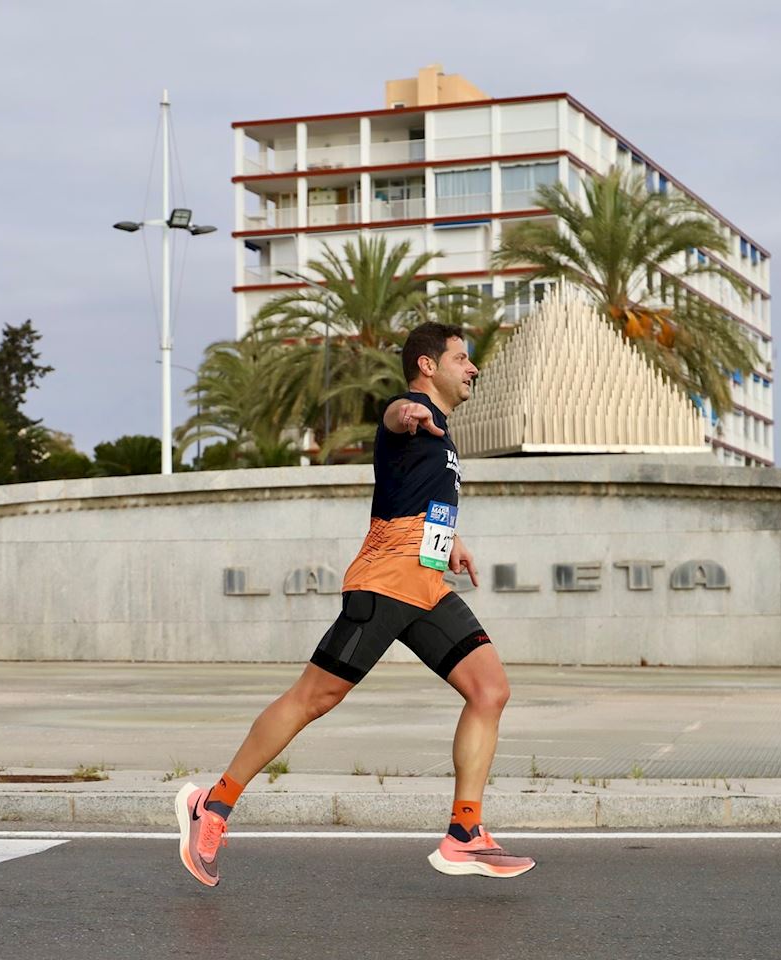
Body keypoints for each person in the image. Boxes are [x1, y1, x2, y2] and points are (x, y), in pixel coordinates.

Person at [176, 322, 535, 887]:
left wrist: (451, 541)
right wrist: (407, 415)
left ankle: (464, 833)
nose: (472, 368)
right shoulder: (413, 413)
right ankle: (212, 805)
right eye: (462, 358)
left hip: (428, 586)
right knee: (313, 698)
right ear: (427, 365)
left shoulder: (444, 439)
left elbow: (414, 498)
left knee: (490, 690)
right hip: (386, 583)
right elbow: (395, 415)